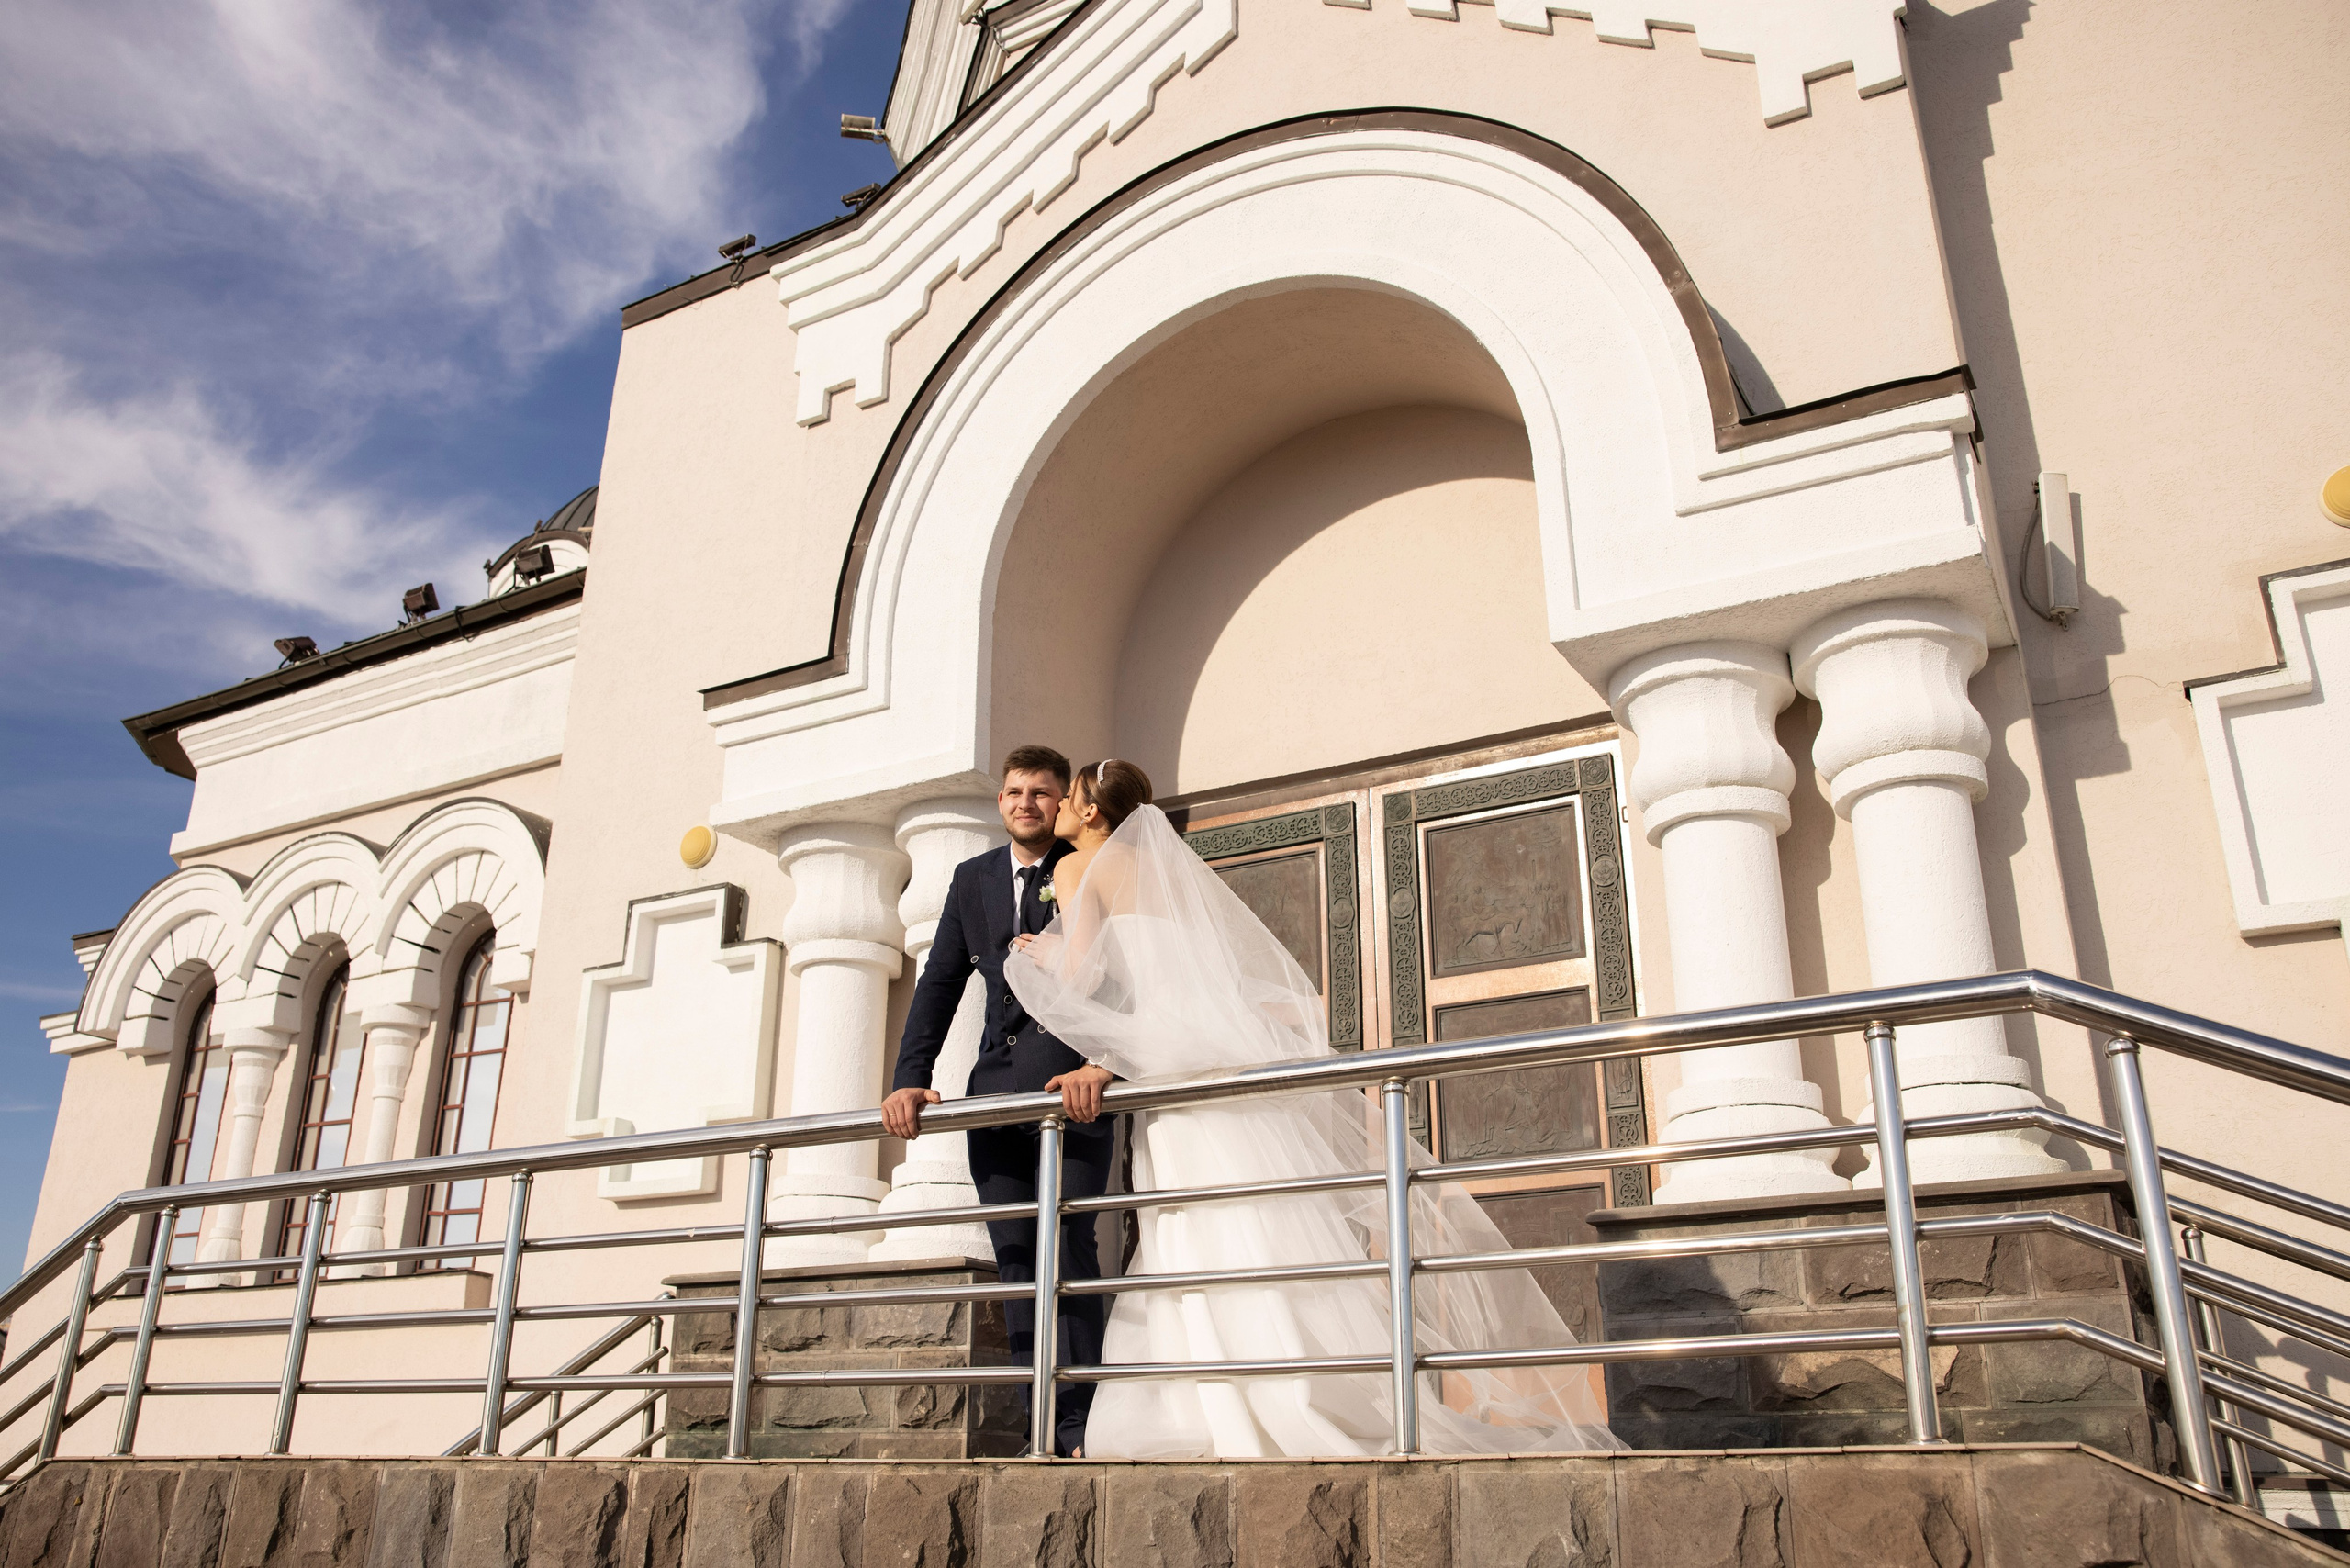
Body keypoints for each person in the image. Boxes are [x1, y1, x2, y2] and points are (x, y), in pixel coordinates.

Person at [1004, 758, 1621, 1458]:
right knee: (1251, 1211)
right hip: (1214, 1061)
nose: (1058, 808)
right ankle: (1305, 1384)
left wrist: (1037, 957)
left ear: (1091, 812)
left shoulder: (1079, 867)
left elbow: (1086, 975)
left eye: (1068, 797)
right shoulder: (1170, 876)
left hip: (1170, 1070)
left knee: (1191, 1219)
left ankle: (1214, 1400)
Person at [881, 745, 1115, 1458]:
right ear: (1000, 802)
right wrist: (909, 1075)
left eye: (1041, 792)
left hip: (1071, 1092)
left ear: (1062, 803)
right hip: (992, 1096)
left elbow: (1125, 973)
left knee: (1068, 1248)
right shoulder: (973, 878)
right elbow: (939, 983)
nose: (1026, 803)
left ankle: (1081, 1427)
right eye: (1014, 791)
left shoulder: (1090, 865)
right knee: (1014, 1256)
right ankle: (1035, 1422)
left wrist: (1103, 1065)